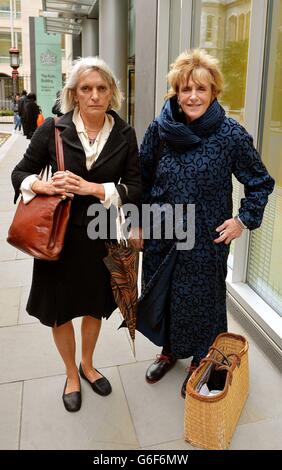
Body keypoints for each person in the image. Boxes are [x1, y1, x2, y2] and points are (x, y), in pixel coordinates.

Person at [133, 49, 274, 398]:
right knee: (162, 295)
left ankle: (201, 359)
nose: (192, 96)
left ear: (213, 92)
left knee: (202, 301)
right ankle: (169, 351)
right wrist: (135, 221)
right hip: (161, 233)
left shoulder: (230, 134)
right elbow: (141, 175)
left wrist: (243, 219)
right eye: (185, 89)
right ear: (175, 93)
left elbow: (259, 181)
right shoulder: (160, 129)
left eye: (201, 89)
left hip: (204, 240)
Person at [11, 57, 142, 412]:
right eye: (87, 88)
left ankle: (88, 363)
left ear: (112, 92)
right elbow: (19, 173)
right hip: (60, 238)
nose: (95, 95)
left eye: (102, 88)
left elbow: (135, 186)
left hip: (103, 236)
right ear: (74, 93)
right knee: (60, 311)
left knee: (94, 307)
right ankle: (71, 372)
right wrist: (43, 185)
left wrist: (94, 188)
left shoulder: (125, 133)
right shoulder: (53, 128)